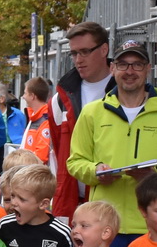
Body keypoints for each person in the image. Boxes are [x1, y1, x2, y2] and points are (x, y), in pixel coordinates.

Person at [65, 39, 157, 246]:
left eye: (137, 64)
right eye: (123, 64)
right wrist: (96, 171)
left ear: (148, 69)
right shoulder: (92, 112)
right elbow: (75, 161)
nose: (130, 71)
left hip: (153, 226)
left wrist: (156, 176)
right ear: (112, 68)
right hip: (104, 225)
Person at [49, 23, 114, 218]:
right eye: (74, 53)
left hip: (113, 198)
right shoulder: (60, 100)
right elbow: (59, 152)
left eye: (85, 52)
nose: (78, 60)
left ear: (104, 49)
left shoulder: (126, 94)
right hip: (70, 200)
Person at [20, 77, 54, 163]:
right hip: (28, 170)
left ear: (32, 96)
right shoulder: (34, 117)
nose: (23, 97)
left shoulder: (45, 121)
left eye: (25, 93)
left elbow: (41, 157)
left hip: (34, 173)